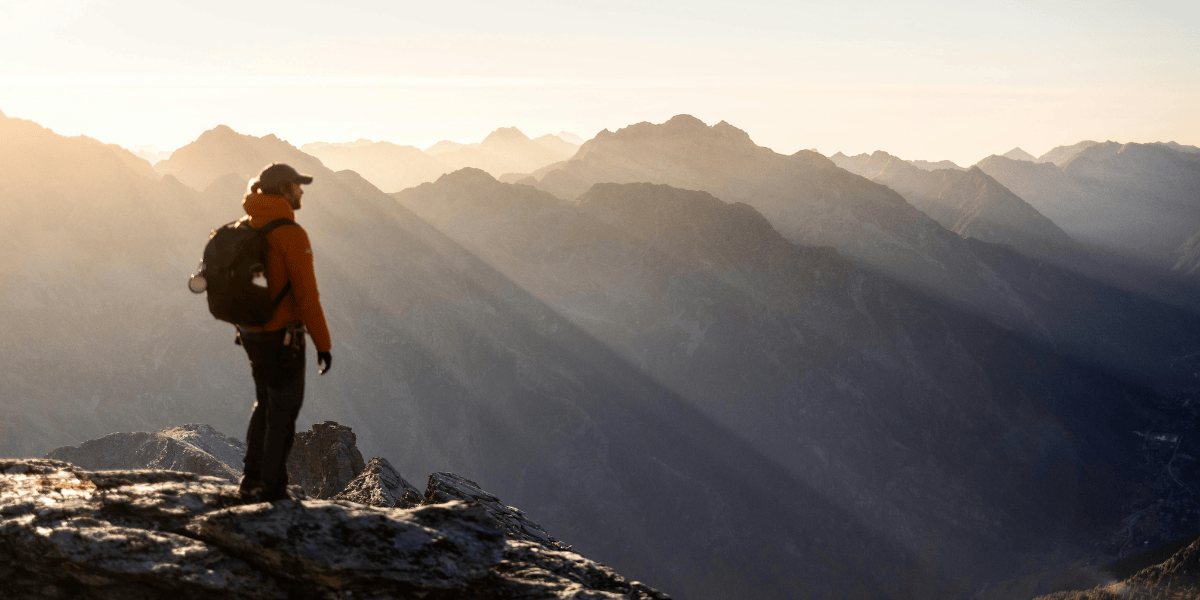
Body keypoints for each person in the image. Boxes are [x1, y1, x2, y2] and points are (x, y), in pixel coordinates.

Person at [235, 163, 333, 502]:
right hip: (282, 336)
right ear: (283, 190)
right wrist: (324, 344)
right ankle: (272, 488)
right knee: (284, 409)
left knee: (265, 401)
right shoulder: (291, 234)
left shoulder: (246, 225)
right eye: (296, 185)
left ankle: (251, 478)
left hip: (250, 334)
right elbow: (307, 297)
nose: (301, 191)